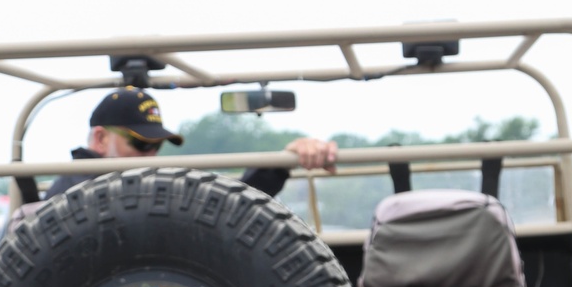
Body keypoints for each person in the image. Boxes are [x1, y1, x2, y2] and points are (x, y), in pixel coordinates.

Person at [18, 86, 338, 206]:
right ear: (100, 139)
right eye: (140, 144)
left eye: (157, 145)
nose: (151, 155)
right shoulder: (74, 195)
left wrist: (286, 157)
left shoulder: (137, 186)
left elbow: (224, 205)